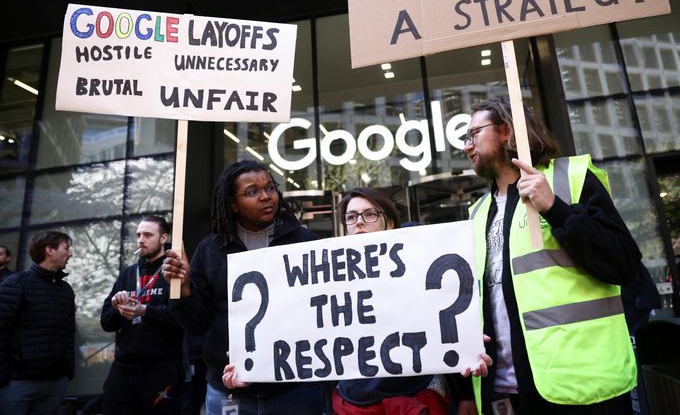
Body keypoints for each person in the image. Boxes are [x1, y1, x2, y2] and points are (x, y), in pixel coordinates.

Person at [461, 96, 641, 414]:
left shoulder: (568, 179)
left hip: (582, 386)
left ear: (505, 131)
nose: (467, 146)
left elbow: (624, 263)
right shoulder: (476, 213)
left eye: (473, 134)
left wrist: (555, 208)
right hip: (507, 391)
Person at [163, 160, 327, 415]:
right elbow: (197, 324)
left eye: (270, 188)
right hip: (228, 390)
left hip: (296, 389)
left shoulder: (304, 242)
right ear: (232, 203)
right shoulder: (210, 250)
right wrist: (183, 288)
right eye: (252, 191)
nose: (265, 196)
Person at [331, 188, 448, 414]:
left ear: (391, 223)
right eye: (351, 217)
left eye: (370, 214)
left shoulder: (417, 264)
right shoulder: (331, 276)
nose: (360, 223)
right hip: (354, 400)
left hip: (413, 394)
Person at [100, 216, 184, 414]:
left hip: (161, 369)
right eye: (138, 235)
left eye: (147, 235)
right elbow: (106, 322)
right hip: (123, 367)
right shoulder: (129, 273)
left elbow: (181, 319)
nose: (141, 240)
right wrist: (117, 308)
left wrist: (144, 310)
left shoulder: (174, 272)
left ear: (164, 238)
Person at [0, 231, 76, 414]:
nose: (71, 253)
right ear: (49, 250)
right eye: (66, 248)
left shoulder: (65, 290)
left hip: (54, 384)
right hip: (17, 385)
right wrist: (3, 378)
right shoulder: (15, 284)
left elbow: (69, 332)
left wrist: (67, 371)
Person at [620, 262, 662, 336]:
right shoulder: (632, 261)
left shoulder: (629, 263)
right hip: (641, 301)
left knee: (634, 330)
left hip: (637, 303)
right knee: (636, 330)